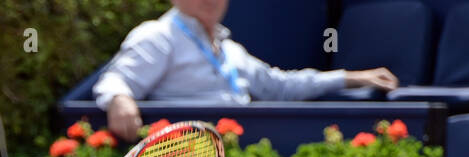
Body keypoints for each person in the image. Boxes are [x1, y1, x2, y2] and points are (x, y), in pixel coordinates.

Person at [95, 0, 399, 140]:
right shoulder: (158, 35)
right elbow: (116, 80)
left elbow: (279, 86)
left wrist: (348, 77)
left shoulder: (230, 50)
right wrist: (120, 99)